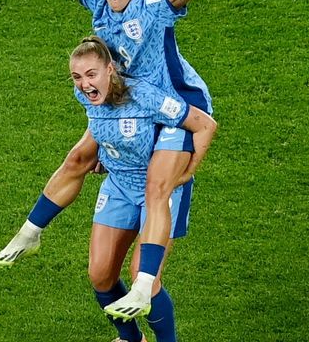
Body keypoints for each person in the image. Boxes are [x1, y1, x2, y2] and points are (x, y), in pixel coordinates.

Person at [0, 0, 242, 319]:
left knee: (158, 188)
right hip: (126, 99)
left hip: (174, 106)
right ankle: (31, 232)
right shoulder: (97, 2)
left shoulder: (153, 4)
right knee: (79, 159)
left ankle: (143, 285)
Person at [77, 36, 217, 342]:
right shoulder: (93, 96)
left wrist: (188, 171)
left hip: (161, 185)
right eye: (77, 76)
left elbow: (204, 124)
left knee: (145, 278)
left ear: (110, 69)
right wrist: (104, 151)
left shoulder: (151, 94)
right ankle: (131, 338)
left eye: (90, 74)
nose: (84, 84)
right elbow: (107, 126)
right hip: (122, 184)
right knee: (100, 275)